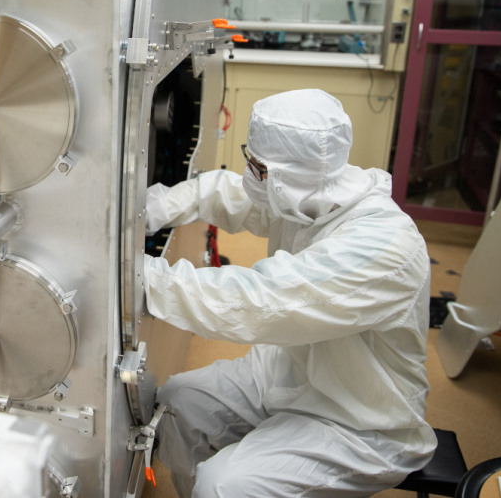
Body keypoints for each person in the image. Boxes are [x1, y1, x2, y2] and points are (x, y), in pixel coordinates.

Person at [144, 89, 435, 497]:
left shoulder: (382, 247)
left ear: (285, 177)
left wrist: (141, 275)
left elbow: (260, 302)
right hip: (289, 373)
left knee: (222, 485)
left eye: (257, 168)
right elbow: (223, 193)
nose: (249, 173)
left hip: (359, 417)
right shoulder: (308, 196)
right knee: (177, 402)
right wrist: (147, 209)